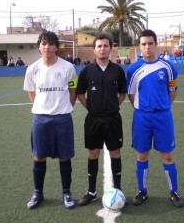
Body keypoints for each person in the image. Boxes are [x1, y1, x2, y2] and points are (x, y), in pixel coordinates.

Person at [126, 29, 183, 208]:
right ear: (139, 47)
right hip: (142, 117)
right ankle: (142, 191)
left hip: (163, 116)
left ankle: (174, 192)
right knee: (142, 154)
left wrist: (163, 106)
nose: (147, 47)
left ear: (156, 45)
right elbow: (131, 94)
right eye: (144, 44)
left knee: (167, 155)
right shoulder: (133, 69)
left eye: (150, 43)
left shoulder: (168, 67)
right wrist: (141, 108)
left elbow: (172, 91)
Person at [23, 31, 77, 210]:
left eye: (51, 44)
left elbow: (73, 90)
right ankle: (38, 192)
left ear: (56, 47)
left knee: (64, 156)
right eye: (44, 44)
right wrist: (42, 108)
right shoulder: (32, 69)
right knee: (39, 156)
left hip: (62, 119)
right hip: (40, 119)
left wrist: (63, 108)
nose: (47, 47)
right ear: (39, 47)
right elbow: (32, 93)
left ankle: (66, 192)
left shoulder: (68, 68)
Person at [76, 32, 127, 206]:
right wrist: (90, 108)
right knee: (93, 154)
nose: (102, 49)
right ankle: (91, 191)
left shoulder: (118, 70)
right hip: (93, 120)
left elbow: (122, 93)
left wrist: (114, 106)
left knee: (115, 153)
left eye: (106, 46)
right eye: (99, 46)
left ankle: (118, 190)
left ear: (110, 49)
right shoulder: (86, 71)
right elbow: (80, 93)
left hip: (113, 119)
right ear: (94, 50)